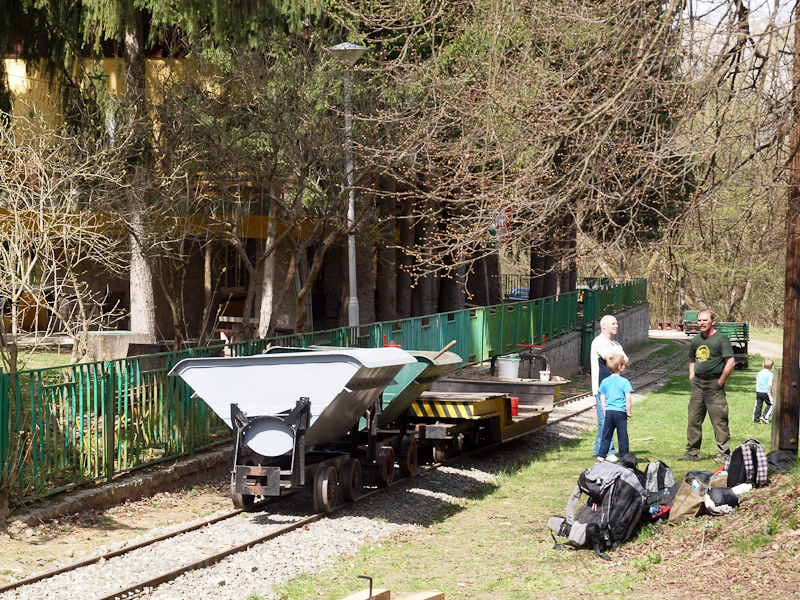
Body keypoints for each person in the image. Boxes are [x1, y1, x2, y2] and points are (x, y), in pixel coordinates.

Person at [681, 309, 735, 463]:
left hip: (714, 384)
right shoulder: (696, 339)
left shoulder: (721, 339)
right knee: (694, 419)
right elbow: (692, 360)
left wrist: (721, 381)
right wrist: (692, 376)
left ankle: (723, 454)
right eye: (699, 320)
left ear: (713, 321)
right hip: (698, 384)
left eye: (705, 320)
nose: (701, 323)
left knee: (719, 419)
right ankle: (692, 452)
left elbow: (730, 361)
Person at [590, 314, 629, 461]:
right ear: (603, 326)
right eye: (613, 323)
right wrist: (621, 360)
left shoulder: (617, 345)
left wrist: (620, 359)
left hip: (616, 388)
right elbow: (612, 359)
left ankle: (599, 450)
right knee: (606, 421)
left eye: (617, 323)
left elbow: (627, 362)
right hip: (603, 388)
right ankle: (609, 452)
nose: (616, 325)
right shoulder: (598, 342)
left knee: (606, 421)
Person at [596, 354, 633, 462]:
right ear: (620, 368)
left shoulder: (605, 381)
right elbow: (628, 398)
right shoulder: (624, 382)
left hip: (609, 412)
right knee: (622, 435)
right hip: (620, 412)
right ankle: (623, 456)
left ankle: (601, 456)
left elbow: (602, 397)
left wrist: (604, 410)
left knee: (606, 435)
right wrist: (628, 411)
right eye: (623, 366)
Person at [754, 358, 775, 424]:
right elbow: (770, 384)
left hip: (758, 391)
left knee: (758, 405)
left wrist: (757, 390)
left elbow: (757, 382)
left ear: (763, 365)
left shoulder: (759, 373)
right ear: (772, 367)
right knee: (772, 404)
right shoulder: (770, 374)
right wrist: (771, 392)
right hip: (766, 391)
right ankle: (765, 417)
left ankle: (756, 418)